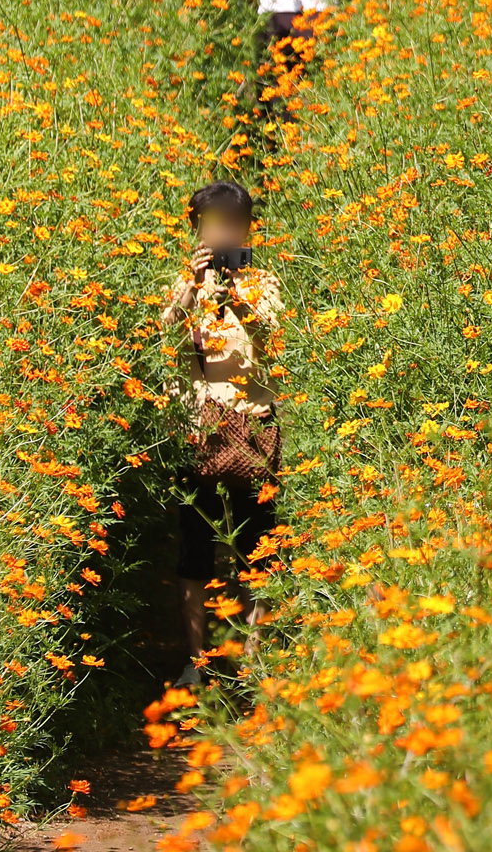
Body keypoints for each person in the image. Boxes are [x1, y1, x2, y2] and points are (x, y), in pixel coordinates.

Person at [160, 178, 283, 688]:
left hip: (253, 427)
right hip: (199, 430)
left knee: (257, 549)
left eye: (233, 225)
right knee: (193, 549)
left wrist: (238, 296)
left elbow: (273, 336)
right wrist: (192, 290)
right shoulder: (182, 282)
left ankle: (253, 664)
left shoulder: (264, 281)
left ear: (248, 229)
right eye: (213, 225)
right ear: (197, 229)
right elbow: (163, 338)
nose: (224, 234)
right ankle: (197, 664)